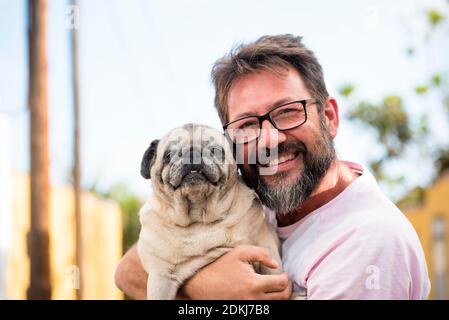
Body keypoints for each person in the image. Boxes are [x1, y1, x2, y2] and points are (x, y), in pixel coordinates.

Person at [115, 34, 430, 300]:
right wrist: (205, 286)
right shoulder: (255, 201)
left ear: (330, 117)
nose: (269, 139)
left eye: (288, 112)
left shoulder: (366, 242)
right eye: (248, 124)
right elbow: (127, 271)